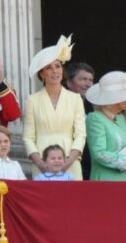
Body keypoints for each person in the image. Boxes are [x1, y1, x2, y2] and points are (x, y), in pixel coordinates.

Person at [23, 35, 86, 179]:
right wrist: (40, 163)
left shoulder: (75, 98)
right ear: (42, 74)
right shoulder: (32, 100)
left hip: (70, 159)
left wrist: (68, 161)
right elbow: (28, 137)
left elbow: (81, 134)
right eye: (49, 68)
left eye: (58, 66)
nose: (55, 71)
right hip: (42, 160)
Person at [85, 71, 126, 181]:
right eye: (125, 96)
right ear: (113, 99)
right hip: (108, 182)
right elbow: (99, 154)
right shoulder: (95, 118)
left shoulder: (121, 119)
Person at [64, 61, 95, 179]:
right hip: (69, 162)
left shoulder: (94, 106)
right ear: (69, 83)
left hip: (89, 164)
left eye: (90, 80)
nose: (88, 84)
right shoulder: (62, 106)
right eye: (83, 79)